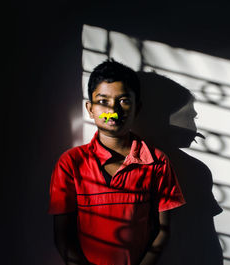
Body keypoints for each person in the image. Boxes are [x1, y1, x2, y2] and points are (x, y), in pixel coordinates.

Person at [48, 59, 186, 265]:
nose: (113, 110)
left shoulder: (157, 162)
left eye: (123, 100)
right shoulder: (71, 163)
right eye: (103, 101)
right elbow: (63, 235)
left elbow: (163, 232)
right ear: (90, 108)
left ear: (137, 108)